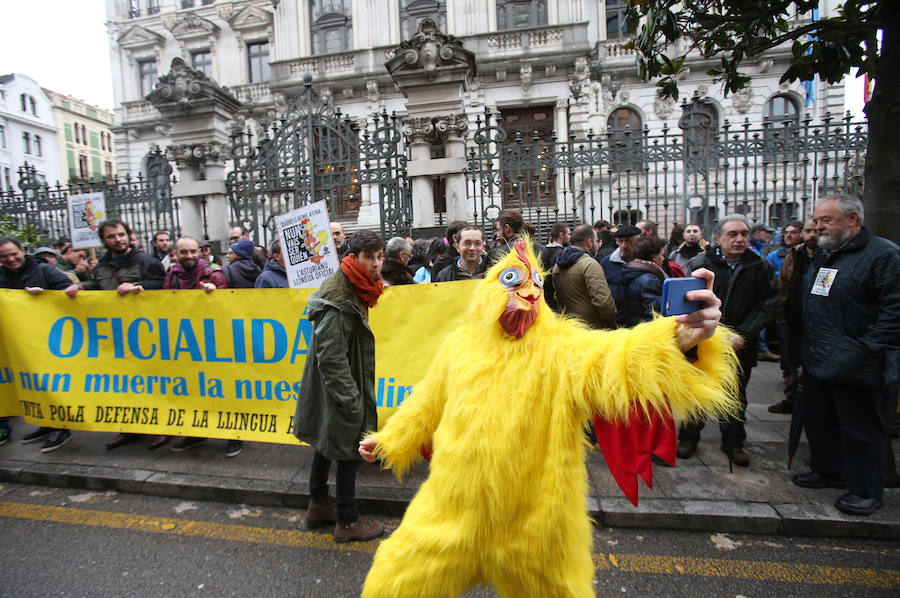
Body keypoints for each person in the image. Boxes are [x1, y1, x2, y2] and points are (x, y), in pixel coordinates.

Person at [357, 238, 737, 598]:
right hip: (450, 511)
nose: (529, 289)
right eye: (513, 280)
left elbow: (617, 358)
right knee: (392, 584)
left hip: (537, 525)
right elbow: (425, 403)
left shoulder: (562, 348)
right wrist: (390, 439)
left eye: (536, 281)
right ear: (489, 290)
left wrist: (680, 338)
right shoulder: (459, 348)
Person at [791, 196, 900, 516]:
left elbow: (894, 313)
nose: (817, 226)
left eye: (826, 220)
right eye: (816, 219)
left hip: (861, 364)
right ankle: (829, 471)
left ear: (853, 219)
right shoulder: (826, 255)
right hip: (820, 358)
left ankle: (866, 490)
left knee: (862, 430)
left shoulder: (884, 255)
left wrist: (863, 349)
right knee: (821, 420)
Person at [295, 230, 386, 543]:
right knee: (350, 446)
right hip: (339, 384)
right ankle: (346, 522)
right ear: (354, 257)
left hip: (336, 383)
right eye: (369, 257)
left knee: (327, 441)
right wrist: (351, 399)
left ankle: (317, 505)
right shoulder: (340, 296)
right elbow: (331, 357)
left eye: (379, 257)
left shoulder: (356, 285)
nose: (376, 264)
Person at [677, 215, 778, 467]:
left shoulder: (759, 266)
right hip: (705, 342)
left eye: (744, 233)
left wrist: (743, 334)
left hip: (740, 343)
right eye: (732, 234)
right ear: (719, 238)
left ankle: (733, 442)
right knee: (697, 392)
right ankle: (688, 437)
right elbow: (688, 301)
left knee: (735, 395)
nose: (740, 239)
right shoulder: (700, 263)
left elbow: (766, 305)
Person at [66, 219, 167, 450]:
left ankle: (162, 428)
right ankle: (130, 428)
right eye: (111, 236)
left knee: (152, 383)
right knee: (123, 384)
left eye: (121, 234)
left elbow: (163, 286)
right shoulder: (102, 265)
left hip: (145, 334)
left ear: (128, 235)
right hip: (114, 335)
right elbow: (100, 286)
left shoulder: (146, 261)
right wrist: (82, 287)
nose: (118, 239)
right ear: (104, 240)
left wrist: (139, 286)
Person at [0, 237, 80, 452]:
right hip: (19, 342)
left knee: (52, 383)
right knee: (32, 384)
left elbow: (72, 292)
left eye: (13, 254)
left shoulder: (44, 270)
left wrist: (45, 296)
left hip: (50, 341)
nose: (10, 259)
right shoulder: (1, 276)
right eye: (4, 256)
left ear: (22, 250)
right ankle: (46, 423)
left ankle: (61, 428)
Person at [163, 237, 237, 456]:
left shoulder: (214, 275)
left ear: (200, 252)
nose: (190, 256)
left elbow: (228, 308)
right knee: (193, 391)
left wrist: (215, 295)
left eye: (193, 251)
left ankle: (235, 435)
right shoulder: (172, 276)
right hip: (186, 345)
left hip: (215, 345)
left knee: (224, 392)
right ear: (176, 254)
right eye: (184, 252)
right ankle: (196, 433)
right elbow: (164, 307)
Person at [768, 218, 818, 414]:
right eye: (808, 231)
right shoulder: (795, 254)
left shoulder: (826, 255)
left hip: (816, 320)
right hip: (793, 316)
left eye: (815, 231)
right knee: (791, 359)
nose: (812, 235)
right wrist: (781, 311)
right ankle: (792, 397)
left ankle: (810, 401)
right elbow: (783, 284)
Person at [551, 224, 616, 328]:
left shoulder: (557, 265)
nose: (598, 245)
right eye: (596, 241)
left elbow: (557, 296)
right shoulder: (590, 265)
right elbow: (603, 301)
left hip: (568, 327)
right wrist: (610, 320)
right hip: (591, 328)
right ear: (589, 243)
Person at [620, 235, 668, 327]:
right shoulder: (650, 280)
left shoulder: (634, 272)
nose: (663, 259)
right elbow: (654, 314)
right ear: (654, 257)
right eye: (662, 255)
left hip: (635, 326)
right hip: (647, 331)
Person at [599, 224, 641, 327]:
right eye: (620, 241)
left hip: (640, 322)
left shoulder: (647, 262)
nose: (624, 246)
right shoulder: (607, 263)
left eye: (628, 241)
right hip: (616, 322)